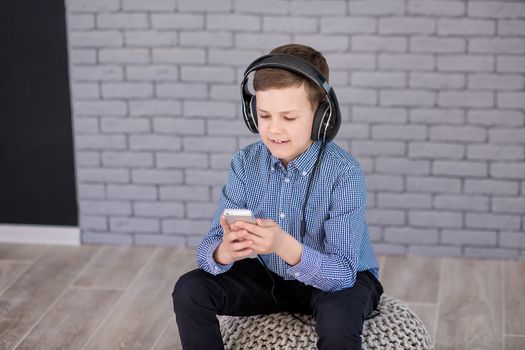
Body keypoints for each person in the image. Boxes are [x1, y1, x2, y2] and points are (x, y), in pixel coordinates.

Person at [172, 43, 383, 350]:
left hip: (342, 280)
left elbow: (341, 274)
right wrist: (225, 253)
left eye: (289, 117)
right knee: (189, 289)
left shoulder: (344, 173)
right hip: (274, 277)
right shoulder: (245, 164)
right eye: (264, 115)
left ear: (322, 116)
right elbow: (208, 250)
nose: (274, 129)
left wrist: (283, 245)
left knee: (338, 323)